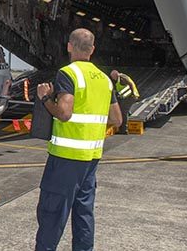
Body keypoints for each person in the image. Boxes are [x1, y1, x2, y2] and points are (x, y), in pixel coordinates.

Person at [34, 28, 122, 251]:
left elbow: (64, 112)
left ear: (69, 46)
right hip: (91, 159)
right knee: (84, 215)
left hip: (65, 159)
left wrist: (45, 98)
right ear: (92, 50)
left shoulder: (68, 73)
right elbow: (116, 119)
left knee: (52, 214)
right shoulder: (104, 80)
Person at [109, 70, 139, 134]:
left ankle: (123, 130)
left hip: (131, 97)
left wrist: (133, 93)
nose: (112, 78)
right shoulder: (119, 79)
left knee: (123, 112)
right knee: (121, 107)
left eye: (112, 77)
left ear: (115, 75)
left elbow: (130, 84)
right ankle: (128, 113)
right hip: (126, 97)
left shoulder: (122, 78)